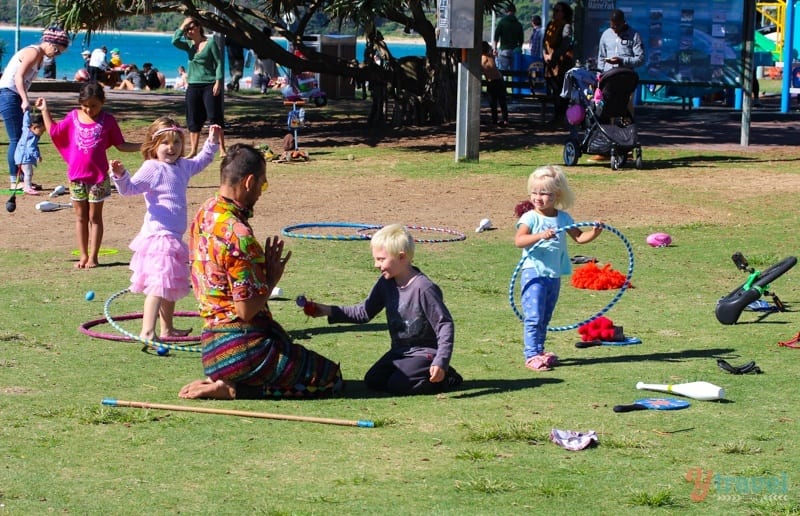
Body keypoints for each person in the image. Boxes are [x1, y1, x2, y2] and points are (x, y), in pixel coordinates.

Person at [178, 143, 343, 400]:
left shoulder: (205, 213)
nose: (261, 193)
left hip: (211, 346)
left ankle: (225, 378)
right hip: (242, 347)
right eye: (262, 185)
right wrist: (271, 278)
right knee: (330, 379)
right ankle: (235, 387)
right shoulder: (237, 234)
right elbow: (245, 310)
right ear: (249, 182)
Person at [302, 224, 463, 396]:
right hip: (400, 352)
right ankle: (421, 373)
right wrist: (327, 310)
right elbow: (364, 312)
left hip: (424, 354)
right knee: (374, 380)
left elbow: (444, 324)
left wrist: (442, 361)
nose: (376, 265)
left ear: (401, 257)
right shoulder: (385, 283)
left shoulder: (423, 288)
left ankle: (446, 376)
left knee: (399, 385)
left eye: (381, 259)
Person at [109, 118, 220, 341]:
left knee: (170, 284)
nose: (172, 148)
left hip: (175, 236)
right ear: (153, 145)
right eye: (165, 143)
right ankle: (147, 330)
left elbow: (201, 161)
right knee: (159, 285)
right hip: (159, 236)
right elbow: (129, 189)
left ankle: (167, 328)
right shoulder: (153, 167)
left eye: (177, 142)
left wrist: (212, 141)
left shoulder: (182, 167)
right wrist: (120, 175)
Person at [35, 83, 141, 269]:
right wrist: (45, 110)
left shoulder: (108, 121)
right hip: (76, 177)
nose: (89, 109)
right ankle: (83, 256)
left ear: (103, 102)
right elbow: (54, 132)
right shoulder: (73, 117)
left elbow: (121, 145)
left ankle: (94, 257)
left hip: (98, 178)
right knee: (80, 217)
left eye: (94, 106)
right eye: (85, 105)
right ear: (80, 103)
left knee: (95, 217)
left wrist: (144, 146)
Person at [514, 166, 602, 371]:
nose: (538, 197)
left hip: (553, 274)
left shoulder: (563, 218)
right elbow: (519, 241)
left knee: (545, 315)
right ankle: (531, 355)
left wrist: (595, 232)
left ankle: (540, 351)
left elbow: (580, 238)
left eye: (544, 193)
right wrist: (540, 235)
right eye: (534, 192)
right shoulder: (530, 218)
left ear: (557, 194)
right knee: (534, 316)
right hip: (533, 272)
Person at [0, 26, 69, 190]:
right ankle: (15, 180)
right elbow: (18, 76)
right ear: (51, 44)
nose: (56, 55)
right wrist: (25, 99)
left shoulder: (40, 56)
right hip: (7, 93)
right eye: (58, 51)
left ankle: (22, 178)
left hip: (13, 94)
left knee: (22, 137)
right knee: (17, 138)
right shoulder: (34, 52)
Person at [591, 9, 645, 161]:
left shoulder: (634, 35)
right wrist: (599, 76)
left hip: (625, 80)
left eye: (617, 25)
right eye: (612, 25)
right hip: (608, 80)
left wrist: (622, 60)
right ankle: (604, 149)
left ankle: (626, 148)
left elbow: (640, 58)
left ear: (623, 22)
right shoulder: (606, 34)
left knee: (625, 112)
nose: (614, 28)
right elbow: (601, 57)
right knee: (606, 111)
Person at [172, 17, 227, 158]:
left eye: (190, 28)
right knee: (193, 118)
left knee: (215, 117)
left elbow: (219, 63)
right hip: (193, 85)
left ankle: (222, 149)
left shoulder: (210, 43)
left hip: (209, 84)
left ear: (197, 27)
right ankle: (193, 150)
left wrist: (218, 82)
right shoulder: (188, 45)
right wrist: (183, 24)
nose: (188, 31)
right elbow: (174, 41)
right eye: (187, 30)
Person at [543, 2, 575, 127]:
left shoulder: (566, 26)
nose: (555, 13)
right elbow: (544, 42)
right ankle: (556, 117)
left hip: (562, 64)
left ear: (564, 13)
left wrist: (554, 55)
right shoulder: (550, 25)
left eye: (558, 11)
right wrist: (545, 55)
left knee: (561, 91)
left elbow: (565, 44)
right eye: (554, 10)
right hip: (550, 63)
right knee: (554, 91)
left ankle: (560, 117)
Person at [14, 110, 45, 195]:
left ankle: (27, 184)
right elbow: (31, 147)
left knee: (26, 172)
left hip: (19, 156)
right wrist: (37, 156)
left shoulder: (26, 129)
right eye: (42, 131)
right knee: (29, 173)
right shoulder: (32, 137)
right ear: (35, 127)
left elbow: (25, 122)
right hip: (24, 158)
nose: (42, 133)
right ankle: (27, 187)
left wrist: (26, 111)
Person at [481, 41, 509, 127]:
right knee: (502, 101)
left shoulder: (480, 59)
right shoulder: (491, 56)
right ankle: (505, 119)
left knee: (493, 103)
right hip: (499, 80)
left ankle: (494, 120)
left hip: (491, 82)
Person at [493, 4, 524, 72]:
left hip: (504, 51)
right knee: (514, 73)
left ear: (507, 11)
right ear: (515, 12)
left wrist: (495, 49)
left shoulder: (502, 22)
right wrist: (519, 48)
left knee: (503, 72)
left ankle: (503, 82)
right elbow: (521, 40)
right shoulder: (518, 24)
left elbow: (496, 36)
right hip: (515, 52)